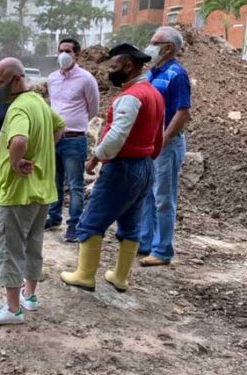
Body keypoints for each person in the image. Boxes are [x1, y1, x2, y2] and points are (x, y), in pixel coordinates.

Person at [60, 44, 164, 293]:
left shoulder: (131, 97)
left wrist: (96, 157)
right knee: (131, 224)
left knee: (92, 220)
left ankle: (85, 275)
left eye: (114, 65)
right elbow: (159, 134)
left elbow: (117, 135)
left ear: (128, 66)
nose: (110, 70)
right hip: (145, 166)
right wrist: (150, 158)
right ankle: (120, 277)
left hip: (122, 168)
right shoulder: (154, 93)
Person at [0, 57, 65, 325]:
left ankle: (12, 308)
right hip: (41, 191)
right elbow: (60, 126)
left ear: (16, 79)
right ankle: (30, 296)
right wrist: (41, 153)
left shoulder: (18, 109)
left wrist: (16, 161)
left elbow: (18, 139)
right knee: (32, 244)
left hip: (17, 193)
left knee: (7, 246)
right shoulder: (38, 102)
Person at [138, 26, 192, 267]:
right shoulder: (153, 72)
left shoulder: (176, 75)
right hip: (150, 144)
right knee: (148, 194)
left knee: (163, 197)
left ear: (168, 48)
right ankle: (145, 242)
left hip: (166, 145)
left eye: (154, 42)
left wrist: (163, 140)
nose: (149, 47)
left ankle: (162, 250)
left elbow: (182, 112)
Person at [45, 38, 100, 242]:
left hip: (74, 139)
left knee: (75, 185)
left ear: (77, 54)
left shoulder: (86, 79)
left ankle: (74, 225)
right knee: (54, 181)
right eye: (61, 50)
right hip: (53, 138)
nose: (64, 54)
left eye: (68, 51)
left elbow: (93, 108)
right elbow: (53, 105)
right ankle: (54, 216)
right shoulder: (52, 78)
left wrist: (75, 122)